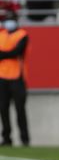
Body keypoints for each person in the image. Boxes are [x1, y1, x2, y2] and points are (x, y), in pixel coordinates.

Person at [0, 13, 30, 146]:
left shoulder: (22, 35)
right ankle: (7, 138)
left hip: (17, 77)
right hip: (2, 76)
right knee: (3, 109)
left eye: (11, 20)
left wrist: (3, 54)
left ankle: (24, 139)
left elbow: (17, 52)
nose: (8, 23)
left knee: (20, 109)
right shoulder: (1, 35)